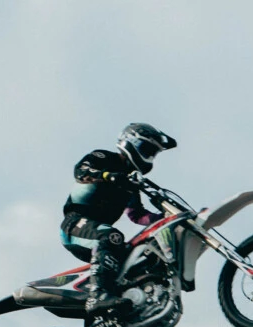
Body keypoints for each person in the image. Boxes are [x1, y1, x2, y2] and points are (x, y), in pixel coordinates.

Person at [61, 123, 177, 313]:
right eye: (147, 150)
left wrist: (164, 218)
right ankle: (97, 296)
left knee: (137, 254)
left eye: (153, 153)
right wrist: (108, 175)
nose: (149, 156)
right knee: (111, 237)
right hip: (75, 225)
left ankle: (125, 301)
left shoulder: (129, 183)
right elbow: (81, 172)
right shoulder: (104, 158)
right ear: (130, 143)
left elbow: (137, 215)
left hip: (100, 233)